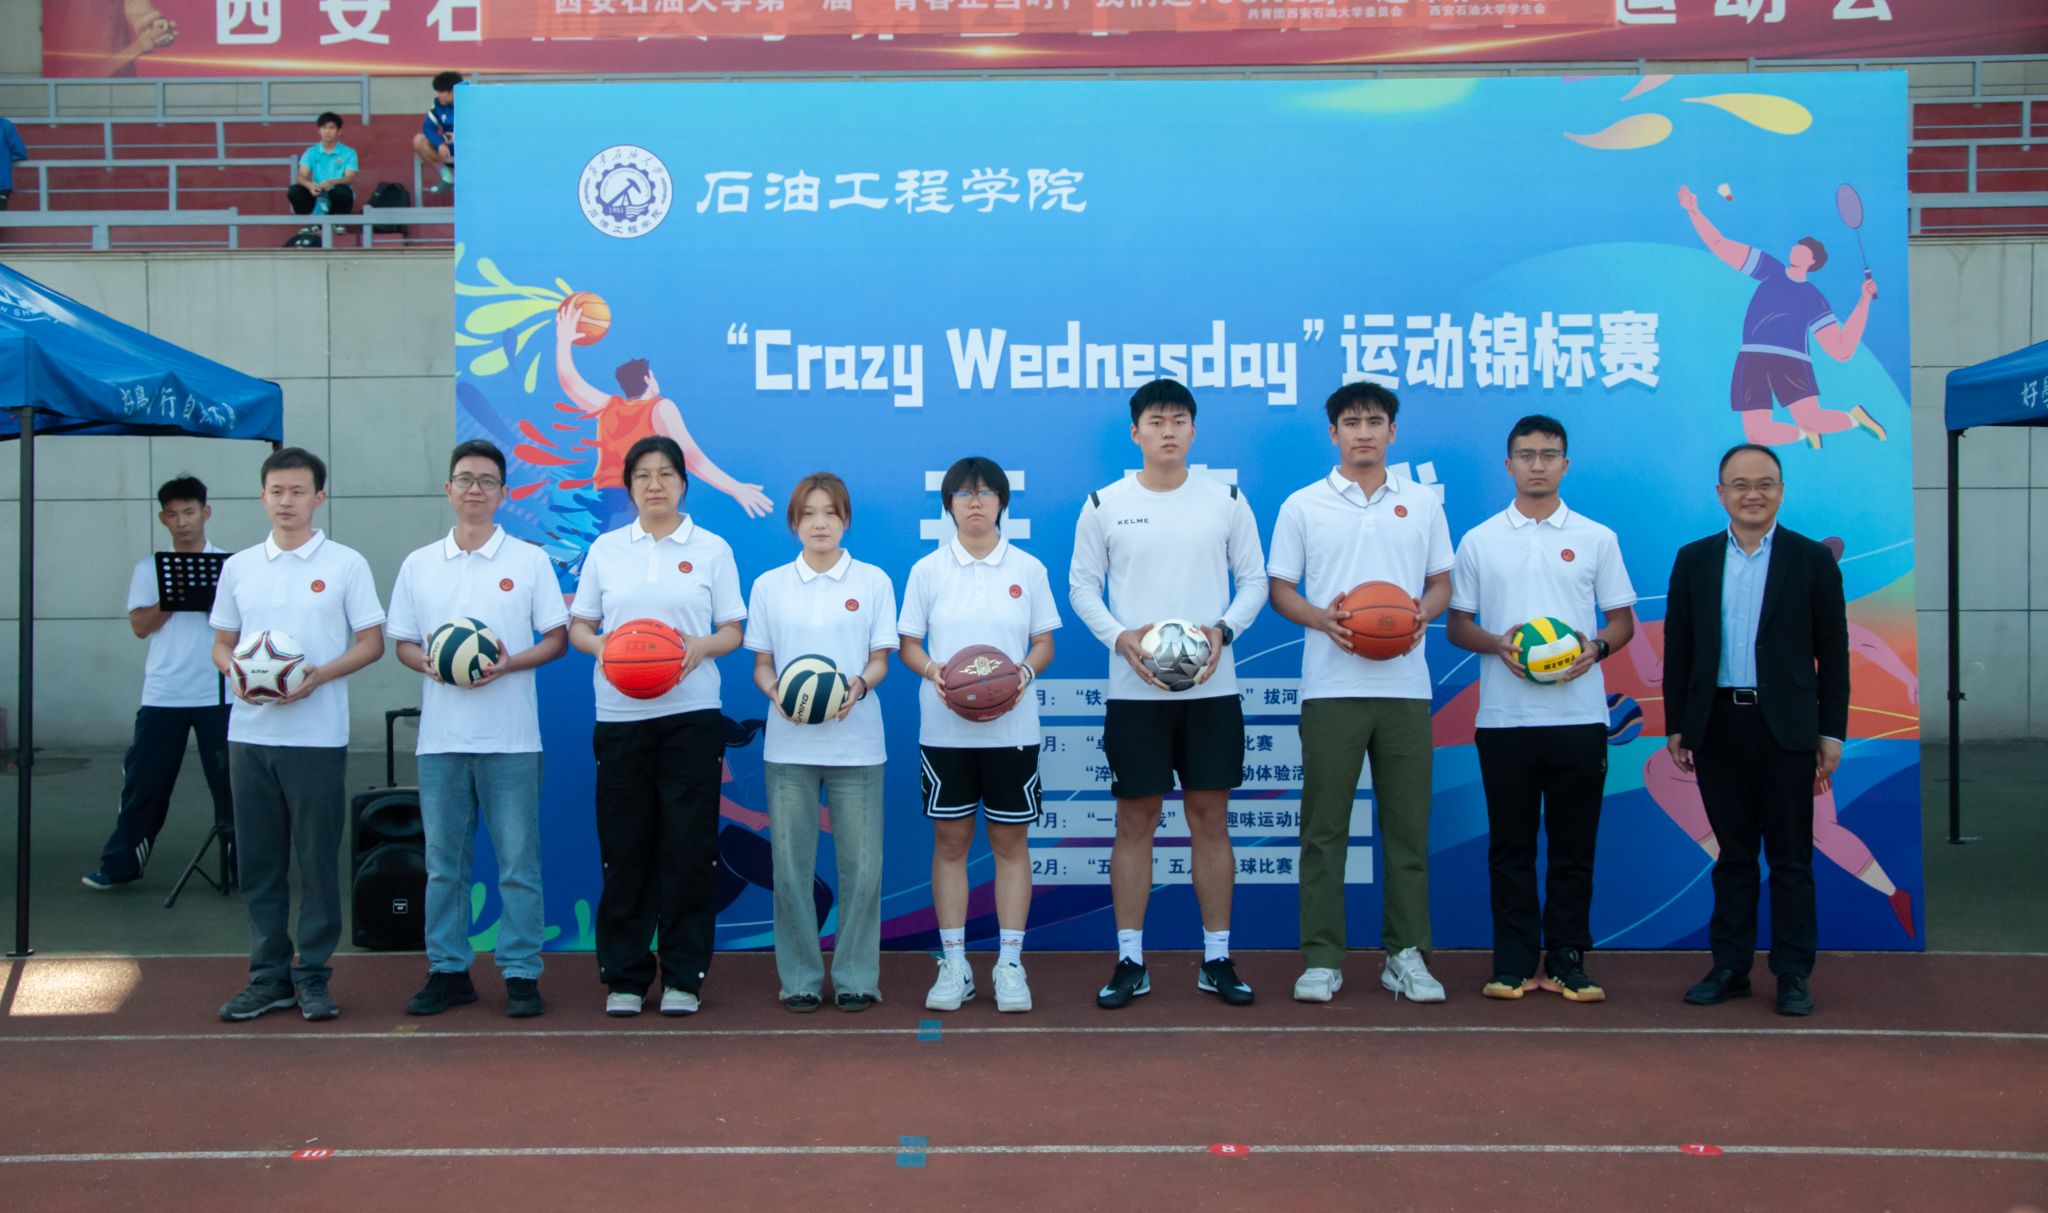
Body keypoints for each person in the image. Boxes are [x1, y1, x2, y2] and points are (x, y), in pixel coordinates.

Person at [1069, 379, 1268, 1010]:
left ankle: (1217, 957)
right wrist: (1121, 638)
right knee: (1136, 821)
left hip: (1212, 691)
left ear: (1194, 430)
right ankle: (1130, 960)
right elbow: (1081, 587)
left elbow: (1255, 581)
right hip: (1136, 694)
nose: (1168, 431)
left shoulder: (1225, 500)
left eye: (1179, 420)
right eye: (1156, 422)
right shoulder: (1104, 503)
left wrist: (1222, 632)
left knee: (1211, 818)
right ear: (1136, 433)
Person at [1267, 382, 1451, 1004]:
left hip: (1406, 689)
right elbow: (1281, 589)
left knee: (1407, 830)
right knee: (1324, 830)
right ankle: (1322, 957)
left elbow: (1441, 582)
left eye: (1375, 421)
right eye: (1352, 422)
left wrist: (1422, 614)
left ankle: (1406, 954)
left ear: (1392, 431)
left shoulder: (1422, 502)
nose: (1364, 432)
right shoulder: (1303, 505)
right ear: (1334, 433)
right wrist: (1323, 620)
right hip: (1331, 687)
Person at [1447, 415, 1638, 1003]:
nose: (1537, 465)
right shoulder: (1479, 540)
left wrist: (1596, 647)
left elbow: (1622, 621)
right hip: (1505, 721)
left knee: (1574, 845)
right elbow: (1457, 626)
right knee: (1511, 846)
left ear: (1565, 464)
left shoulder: (1596, 537)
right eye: (1526, 455)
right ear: (1508, 465)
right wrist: (1497, 644)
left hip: (1580, 718)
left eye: (1549, 455)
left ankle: (1566, 960)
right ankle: (1512, 961)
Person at [386, 440, 570, 1020]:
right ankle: (448, 970)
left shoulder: (529, 561)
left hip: (512, 741)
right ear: (448, 489)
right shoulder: (419, 564)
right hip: (441, 742)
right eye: (464, 478)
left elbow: (556, 639)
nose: (475, 489)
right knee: (444, 866)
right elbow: (403, 643)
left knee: (518, 865)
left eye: (487, 480)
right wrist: (432, 663)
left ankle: (520, 972)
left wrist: (508, 663)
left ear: (503, 493)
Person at [1666, 443, 1850, 1017]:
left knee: (1791, 857)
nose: (1753, 494)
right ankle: (1730, 967)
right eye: (1740, 484)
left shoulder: (1810, 560)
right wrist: (1678, 725)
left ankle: (1793, 973)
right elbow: (1679, 648)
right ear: (1720, 492)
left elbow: (1834, 654)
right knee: (1734, 855)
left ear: (1781, 491)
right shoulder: (1694, 559)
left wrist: (1832, 732)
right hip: (1718, 724)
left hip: (1787, 729)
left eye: (1765, 483)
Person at [569, 436, 746, 1018]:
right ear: (629, 486)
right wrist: (606, 648)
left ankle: (684, 977)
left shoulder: (712, 549)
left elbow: (732, 630)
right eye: (643, 474)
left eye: (666, 473)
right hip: (620, 716)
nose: (654, 484)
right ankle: (624, 976)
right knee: (626, 849)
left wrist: (699, 646)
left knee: (688, 849)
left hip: (691, 715)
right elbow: (580, 627)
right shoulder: (606, 549)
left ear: (683, 484)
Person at [209, 449, 386, 1022]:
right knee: (259, 863)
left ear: (319, 498)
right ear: (262, 496)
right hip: (249, 735)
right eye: (277, 491)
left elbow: (371, 644)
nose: (286, 501)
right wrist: (236, 673)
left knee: (316, 862)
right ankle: (268, 977)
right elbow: (221, 643)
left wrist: (318, 676)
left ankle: (312, 973)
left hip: (316, 737)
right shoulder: (239, 567)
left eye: (298, 491)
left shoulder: (346, 564)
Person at [899, 457, 1060, 1014]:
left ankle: (1010, 963)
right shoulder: (928, 570)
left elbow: (1044, 642)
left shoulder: (1028, 569)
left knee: (1011, 844)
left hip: (1013, 731)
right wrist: (934, 672)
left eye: (987, 492)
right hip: (945, 732)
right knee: (950, 844)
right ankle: (955, 964)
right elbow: (909, 643)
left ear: (1001, 503)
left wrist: (1023, 676)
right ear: (949, 504)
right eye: (965, 493)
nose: (975, 502)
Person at [744, 472, 896, 1013]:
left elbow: (880, 659)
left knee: (863, 870)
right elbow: (763, 666)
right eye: (808, 514)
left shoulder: (873, 581)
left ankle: (856, 977)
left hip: (857, 746)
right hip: (789, 749)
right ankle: (801, 978)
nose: (820, 523)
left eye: (830, 512)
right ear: (794, 524)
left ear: (846, 519)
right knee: (790, 869)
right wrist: (776, 694)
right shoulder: (770, 585)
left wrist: (858, 686)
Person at [83, 476, 233, 891]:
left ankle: (242, 863)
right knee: (144, 782)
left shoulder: (233, 566)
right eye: (173, 514)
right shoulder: (148, 568)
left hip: (220, 690)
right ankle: (121, 864)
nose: (182, 522)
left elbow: (246, 626)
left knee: (231, 784)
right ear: (162, 518)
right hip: (164, 692)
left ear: (206, 513)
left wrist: (210, 600)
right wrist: (175, 594)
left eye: (189, 512)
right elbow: (140, 626)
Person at [1677, 184, 1885, 449]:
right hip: (1752, 357)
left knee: (1812, 420)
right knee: (1757, 436)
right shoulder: (1769, 269)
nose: (1795, 248)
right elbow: (1720, 245)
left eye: (1803, 248)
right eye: (1796, 245)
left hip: (1791, 361)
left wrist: (1864, 300)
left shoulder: (1813, 298)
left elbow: (1841, 350)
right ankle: (1805, 435)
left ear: (1812, 261)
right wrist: (1694, 211)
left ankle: (1855, 419)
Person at [553, 303, 773, 525]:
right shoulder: (660, 408)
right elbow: (692, 457)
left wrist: (564, 342)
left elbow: (570, 382)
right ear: (648, 378)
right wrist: (734, 487)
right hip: (637, 500)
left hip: (604, 500)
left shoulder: (609, 407)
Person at [287, 112, 359, 220]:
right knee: (294, 191)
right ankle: (311, 220)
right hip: (317, 193)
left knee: (342, 191)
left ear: (339, 131)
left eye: (331, 128)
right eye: (324, 128)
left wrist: (332, 182)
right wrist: (309, 185)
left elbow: (349, 178)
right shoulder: (311, 152)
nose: (327, 131)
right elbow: (301, 175)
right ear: (319, 131)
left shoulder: (349, 153)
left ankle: (338, 222)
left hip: (336, 194)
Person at [414, 72, 461, 197]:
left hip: (471, 154)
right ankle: (447, 177)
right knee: (419, 140)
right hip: (448, 154)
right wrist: (440, 144)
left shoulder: (472, 104)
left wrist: (459, 137)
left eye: (441, 92)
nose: (438, 95)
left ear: (452, 92)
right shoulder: (438, 106)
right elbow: (428, 127)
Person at [0, 116, 26, 211]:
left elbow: (20, 152)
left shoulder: (4, 125)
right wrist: (5, 159)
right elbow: (20, 152)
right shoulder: (4, 125)